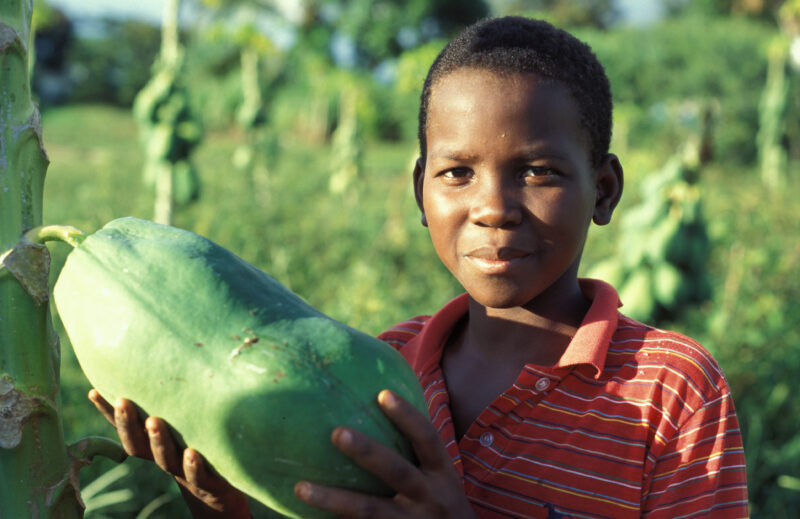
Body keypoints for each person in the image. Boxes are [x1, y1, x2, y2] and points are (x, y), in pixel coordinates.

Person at [90, 16, 749, 518]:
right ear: (419, 193)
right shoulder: (379, 362)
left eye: (539, 172)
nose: (493, 207)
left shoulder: (674, 391)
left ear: (603, 190)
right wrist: (233, 500)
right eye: (457, 173)